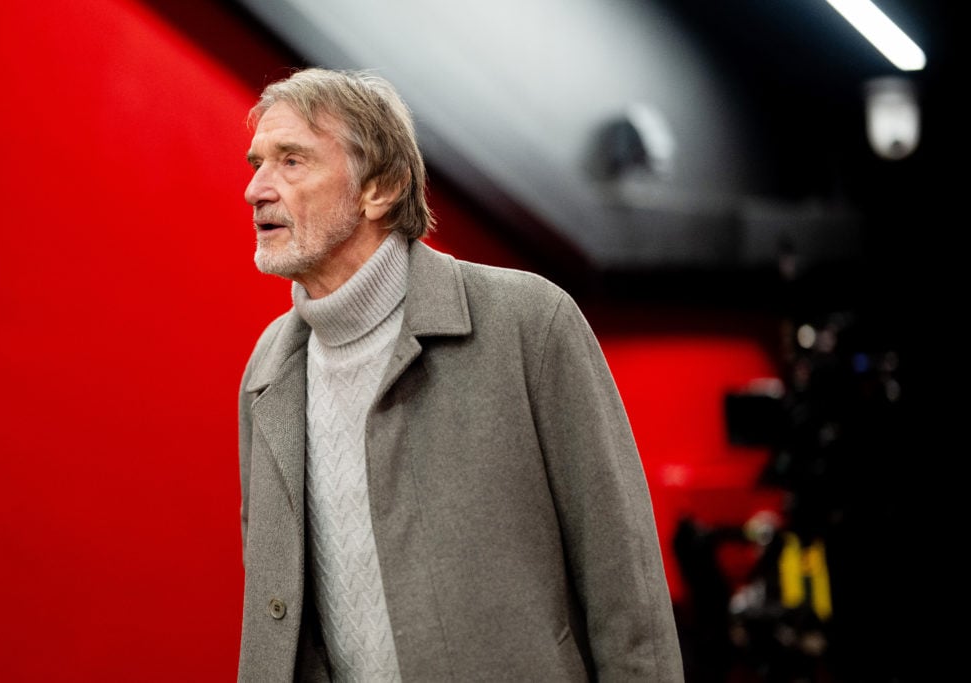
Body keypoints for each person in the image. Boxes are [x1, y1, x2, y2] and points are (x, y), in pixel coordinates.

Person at [237, 66, 684, 682]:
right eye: (257, 162)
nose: (256, 189)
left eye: (291, 161)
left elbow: (624, 579)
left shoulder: (530, 321)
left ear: (381, 188)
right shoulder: (268, 371)